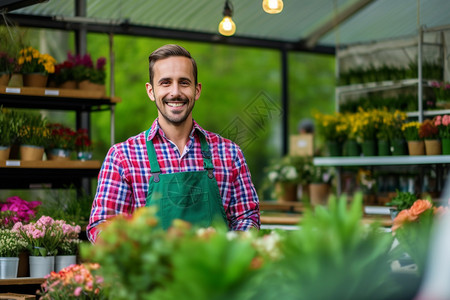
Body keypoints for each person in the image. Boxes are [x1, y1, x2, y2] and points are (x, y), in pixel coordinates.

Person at [87, 44, 260, 243]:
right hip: (150, 272)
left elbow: (247, 218)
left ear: (197, 90)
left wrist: (227, 247)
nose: (175, 92)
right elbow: (102, 226)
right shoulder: (123, 156)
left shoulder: (229, 154)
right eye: (166, 83)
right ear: (151, 91)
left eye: (184, 83)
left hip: (214, 272)